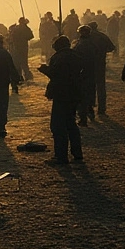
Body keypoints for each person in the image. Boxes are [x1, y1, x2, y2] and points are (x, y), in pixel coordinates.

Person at [38, 36, 84, 164]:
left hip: (62, 94)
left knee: (58, 126)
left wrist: (44, 70)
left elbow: (56, 75)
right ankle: (77, 153)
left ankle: (61, 156)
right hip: (74, 94)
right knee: (71, 123)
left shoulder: (58, 57)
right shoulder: (76, 56)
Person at [87, 22, 118, 115]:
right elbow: (112, 47)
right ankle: (102, 108)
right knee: (101, 87)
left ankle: (90, 107)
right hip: (100, 64)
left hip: (89, 65)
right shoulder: (102, 36)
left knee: (89, 87)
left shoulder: (86, 37)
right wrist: (103, 51)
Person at [72, 26, 100, 126]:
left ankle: (83, 118)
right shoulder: (92, 44)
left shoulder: (79, 45)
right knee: (89, 93)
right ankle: (90, 111)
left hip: (81, 73)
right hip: (91, 72)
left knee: (81, 96)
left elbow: (74, 57)